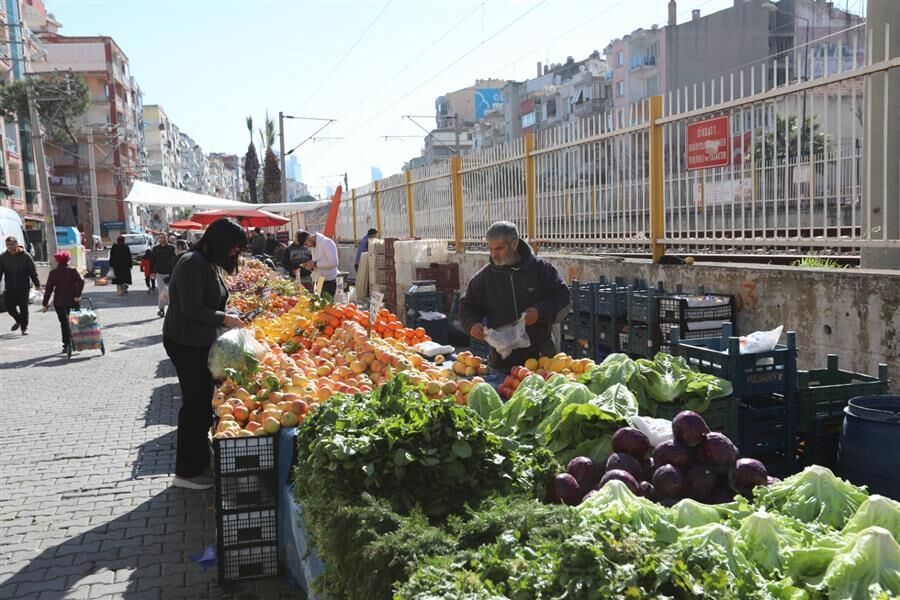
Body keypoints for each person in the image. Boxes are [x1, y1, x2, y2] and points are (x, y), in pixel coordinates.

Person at [163, 218, 247, 490]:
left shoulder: (207, 263)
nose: (235, 254)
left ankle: (198, 461)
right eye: (233, 248)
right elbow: (192, 309)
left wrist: (227, 316)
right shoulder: (192, 263)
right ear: (220, 242)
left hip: (196, 341)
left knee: (201, 403)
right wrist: (225, 319)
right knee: (195, 405)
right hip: (185, 342)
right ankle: (186, 472)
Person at [459, 221, 570, 372]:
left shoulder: (542, 270)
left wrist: (539, 312)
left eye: (499, 248)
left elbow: (563, 299)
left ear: (514, 244)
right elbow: (467, 306)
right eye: (490, 249)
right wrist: (472, 325)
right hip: (502, 361)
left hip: (541, 358)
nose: (493, 254)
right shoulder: (484, 277)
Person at [41, 250, 84, 353]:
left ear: (57, 261)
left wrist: (45, 304)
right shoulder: (73, 271)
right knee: (74, 322)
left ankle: (66, 344)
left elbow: (49, 289)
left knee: (63, 323)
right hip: (72, 301)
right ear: (68, 259)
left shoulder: (53, 273)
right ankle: (76, 342)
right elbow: (81, 281)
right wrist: (77, 295)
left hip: (59, 303)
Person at [0, 235, 41, 335]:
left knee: (24, 308)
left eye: (12, 244)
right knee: (9, 307)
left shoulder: (25, 256)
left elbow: (32, 271)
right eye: (8, 244)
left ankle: (24, 328)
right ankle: (19, 320)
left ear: (16, 244)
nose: (10, 246)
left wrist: (37, 284)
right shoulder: (3, 257)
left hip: (23, 286)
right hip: (10, 287)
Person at [298, 230, 339, 298]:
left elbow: (334, 262)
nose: (308, 246)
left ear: (309, 237)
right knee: (318, 304)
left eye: (306, 244)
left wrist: (314, 264)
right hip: (319, 280)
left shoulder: (326, 242)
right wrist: (311, 267)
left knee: (327, 306)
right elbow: (319, 262)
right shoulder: (314, 245)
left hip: (329, 280)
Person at [150, 233, 177, 318]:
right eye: (161, 238)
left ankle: (172, 310)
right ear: (159, 239)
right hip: (159, 273)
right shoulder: (155, 249)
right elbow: (152, 261)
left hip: (170, 273)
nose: (163, 239)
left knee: (171, 292)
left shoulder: (172, 248)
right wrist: (152, 273)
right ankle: (161, 309)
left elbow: (176, 260)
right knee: (161, 291)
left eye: (164, 237)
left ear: (167, 238)